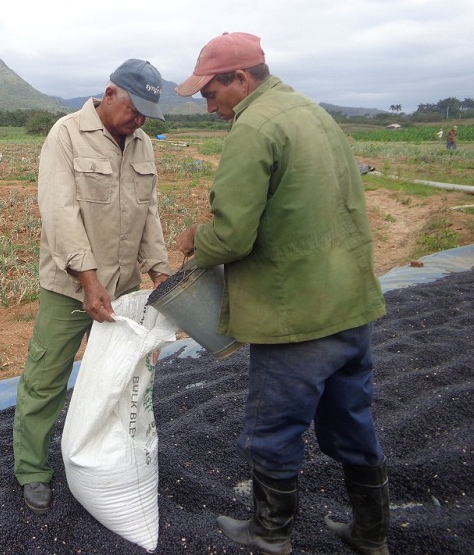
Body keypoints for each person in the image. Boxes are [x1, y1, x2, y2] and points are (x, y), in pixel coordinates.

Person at [174, 32, 389, 555]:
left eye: (210, 94)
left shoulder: (255, 126)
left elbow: (231, 236)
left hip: (295, 312)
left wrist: (191, 241)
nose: (209, 107)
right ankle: (371, 533)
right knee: (352, 421)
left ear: (241, 79)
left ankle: (271, 535)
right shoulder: (312, 112)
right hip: (349, 302)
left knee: (272, 429)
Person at [13, 58, 172, 514]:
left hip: (123, 291)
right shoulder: (65, 134)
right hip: (71, 290)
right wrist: (87, 279)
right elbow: (60, 213)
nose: (139, 120)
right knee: (46, 379)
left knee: (120, 381)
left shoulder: (142, 145)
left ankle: (106, 461)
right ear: (109, 94)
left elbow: (150, 214)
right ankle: (32, 469)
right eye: (134, 108)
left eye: (146, 114)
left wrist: (159, 272)